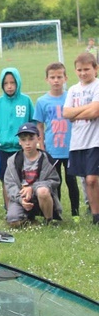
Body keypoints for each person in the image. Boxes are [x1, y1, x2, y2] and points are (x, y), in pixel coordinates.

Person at [35, 62, 80, 220]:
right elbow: (39, 124)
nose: (56, 80)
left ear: (65, 78)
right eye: (52, 77)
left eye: (59, 77)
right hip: (52, 149)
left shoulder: (71, 97)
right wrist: (41, 143)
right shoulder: (42, 101)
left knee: (71, 180)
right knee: (56, 182)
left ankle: (76, 213)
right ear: (46, 79)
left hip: (70, 147)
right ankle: (57, 213)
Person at [0, 67, 34, 210]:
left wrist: (27, 141)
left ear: (18, 83)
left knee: (23, 179)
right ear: (2, 84)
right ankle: (9, 209)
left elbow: (32, 123)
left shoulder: (26, 101)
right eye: (6, 83)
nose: (9, 86)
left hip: (21, 149)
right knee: (5, 180)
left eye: (13, 83)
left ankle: (24, 208)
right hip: (4, 148)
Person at [63, 52, 99, 226]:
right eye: (79, 70)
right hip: (78, 142)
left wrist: (76, 114)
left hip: (95, 140)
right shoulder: (73, 90)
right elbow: (65, 113)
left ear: (95, 69)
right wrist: (86, 109)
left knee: (93, 178)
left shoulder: (97, 86)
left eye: (87, 69)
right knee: (86, 180)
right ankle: (95, 216)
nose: (83, 73)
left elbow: (95, 112)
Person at [4, 122, 62, 226]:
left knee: (43, 191)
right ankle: (30, 221)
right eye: (23, 139)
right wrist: (21, 200)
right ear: (19, 142)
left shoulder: (47, 159)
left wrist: (32, 187)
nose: (27, 143)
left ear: (38, 139)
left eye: (31, 138)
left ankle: (48, 221)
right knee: (13, 222)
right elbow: (10, 185)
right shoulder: (12, 161)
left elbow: (54, 181)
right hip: (22, 196)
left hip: (40, 196)